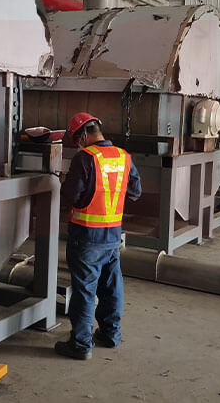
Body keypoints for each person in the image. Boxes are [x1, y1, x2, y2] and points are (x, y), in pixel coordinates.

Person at [54, 112, 142, 360]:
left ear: (83, 135)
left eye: (76, 139)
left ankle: (81, 345)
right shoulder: (124, 157)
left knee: (84, 290)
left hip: (86, 237)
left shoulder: (85, 158)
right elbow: (134, 192)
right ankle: (111, 335)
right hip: (113, 236)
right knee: (111, 286)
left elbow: (69, 195)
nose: (77, 144)